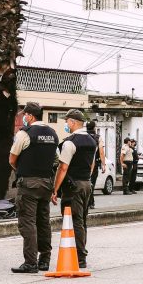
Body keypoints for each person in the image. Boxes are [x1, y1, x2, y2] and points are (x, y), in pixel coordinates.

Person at [9, 102, 59, 273]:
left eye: (25, 115)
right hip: (46, 184)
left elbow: (12, 159)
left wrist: (23, 170)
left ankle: (30, 262)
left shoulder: (25, 133)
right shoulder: (53, 134)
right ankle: (45, 259)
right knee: (43, 222)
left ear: (30, 116)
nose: (23, 117)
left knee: (28, 223)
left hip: (28, 184)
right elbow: (56, 160)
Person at [51, 109, 97, 269]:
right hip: (86, 183)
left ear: (72, 122)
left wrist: (55, 189)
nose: (65, 124)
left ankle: (79, 256)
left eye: (66, 121)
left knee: (74, 220)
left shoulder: (70, 142)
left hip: (73, 186)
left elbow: (62, 168)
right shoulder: (92, 141)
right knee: (82, 220)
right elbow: (92, 165)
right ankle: (80, 252)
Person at [86, 120, 107, 209]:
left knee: (85, 183)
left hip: (83, 163)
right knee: (92, 183)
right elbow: (101, 152)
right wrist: (103, 164)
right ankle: (90, 202)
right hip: (94, 164)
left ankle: (89, 201)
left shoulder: (83, 136)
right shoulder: (98, 138)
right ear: (94, 128)